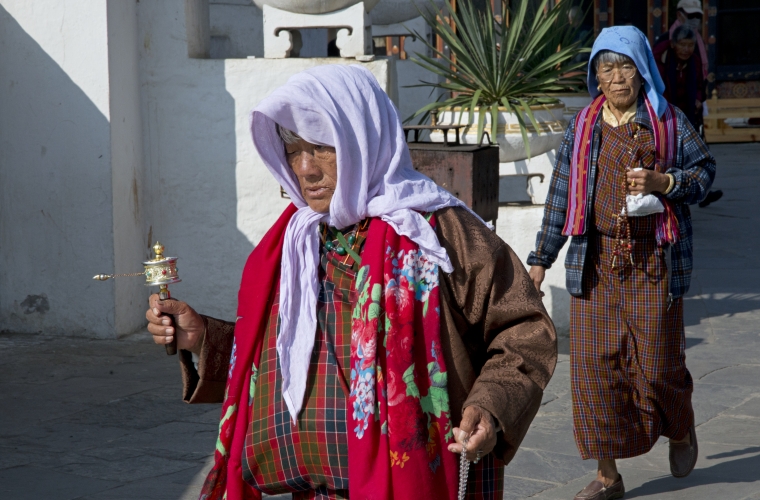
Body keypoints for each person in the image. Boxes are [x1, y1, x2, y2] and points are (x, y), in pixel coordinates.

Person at [146, 65, 557, 500]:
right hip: (315, 488)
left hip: (418, 482)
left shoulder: (438, 233)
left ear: (363, 139)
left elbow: (524, 331)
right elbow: (286, 354)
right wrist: (204, 339)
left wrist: (492, 406)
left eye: (322, 147)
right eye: (292, 149)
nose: (305, 169)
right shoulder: (296, 240)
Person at [527, 26, 716, 500]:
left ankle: (680, 427)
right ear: (595, 75)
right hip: (595, 263)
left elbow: (705, 171)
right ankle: (608, 475)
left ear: (642, 69)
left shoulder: (666, 121)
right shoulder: (583, 126)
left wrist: (664, 182)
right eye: (605, 68)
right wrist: (540, 259)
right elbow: (559, 196)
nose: (615, 78)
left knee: (656, 365)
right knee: (594, 372)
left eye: (625, 66)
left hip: (653, 262)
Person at [655, 0, 707, 80]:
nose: (695, 19)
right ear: (679, 15)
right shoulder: (665, 40)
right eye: (691, 16)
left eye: (698, 16)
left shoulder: (699, 41)